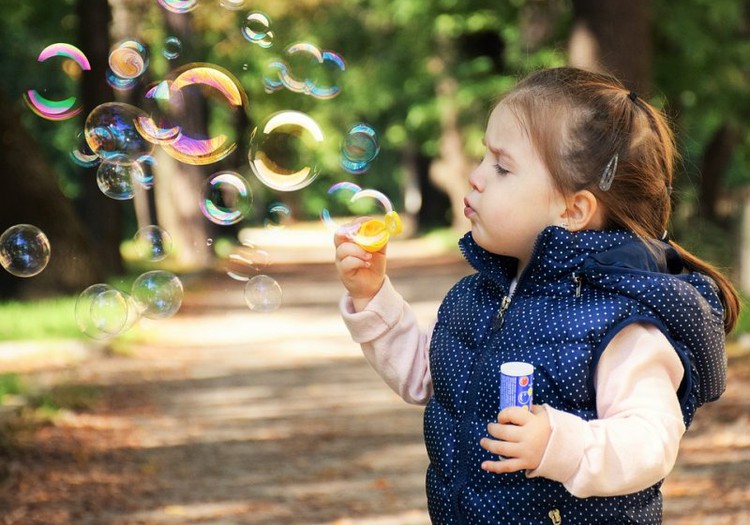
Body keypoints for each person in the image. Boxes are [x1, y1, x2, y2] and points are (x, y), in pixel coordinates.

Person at [333, 67, 740, 525]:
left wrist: (558, 444)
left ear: (572, 209)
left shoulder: (617, 322)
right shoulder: (477, 296)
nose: (475, 177)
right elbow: (426, 377)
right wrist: (373, 297)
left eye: (502, 167)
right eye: (484, 157)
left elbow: (651, 441)